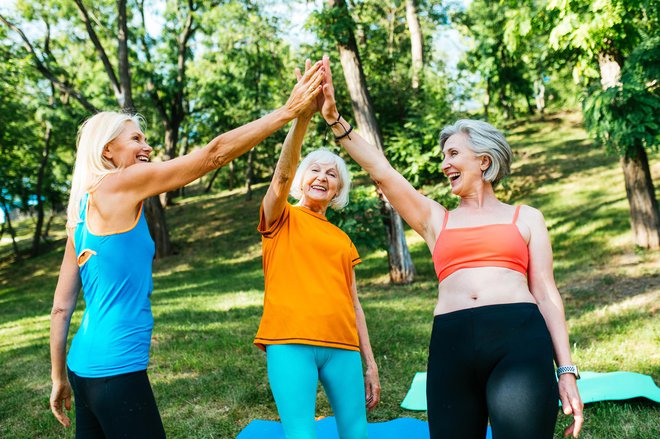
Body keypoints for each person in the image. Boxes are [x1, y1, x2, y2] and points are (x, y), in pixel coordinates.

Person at [48, 61, 325, 438]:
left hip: (82, 371)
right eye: (135, 139)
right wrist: (288, 112)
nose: (146, 146)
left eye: (145, 137)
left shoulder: (79, 214)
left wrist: (58, 377)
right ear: (108, 150)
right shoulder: (119, 184)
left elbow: (61, 307)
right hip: (116, 371)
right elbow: (212, 155)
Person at [316, 55, 583, 439]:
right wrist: (334, 119)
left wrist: (566, 371)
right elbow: (382, 171)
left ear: (484, 160)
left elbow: (546, 293)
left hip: (519, 341)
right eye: (445, 156)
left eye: (454, 154)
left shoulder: (526, 217)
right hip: (451, 344)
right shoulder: (436, 218)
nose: (445, 164)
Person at [253, 60, 380, 439]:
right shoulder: (281, 217)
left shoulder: (342, 239)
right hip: (290, 341)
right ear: (300, 180)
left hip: (342, 345)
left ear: (338, 190)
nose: (322, 177)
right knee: (300, 434)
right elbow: (281, 175)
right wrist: (302, 118)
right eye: (315, 170)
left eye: (332, 174)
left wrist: (370, 364)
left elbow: (354, 301)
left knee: (357, 433)